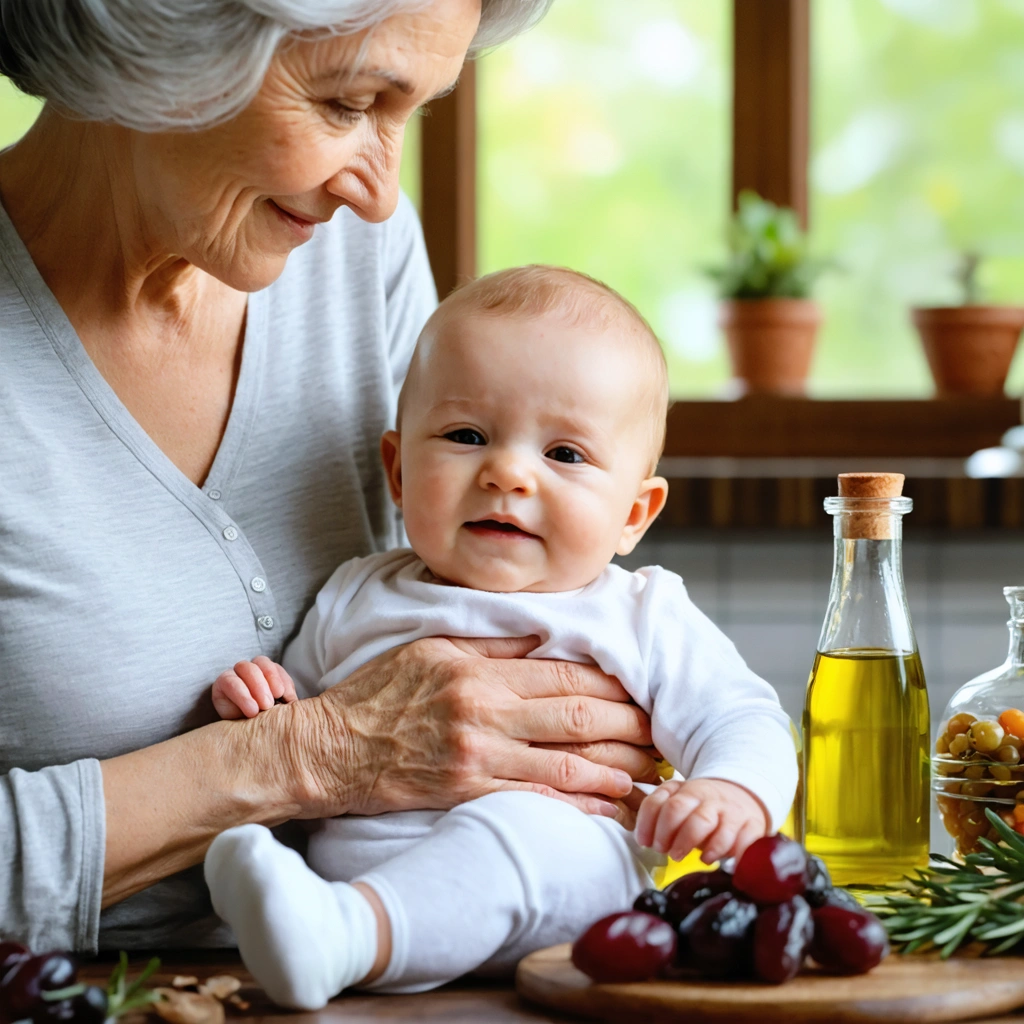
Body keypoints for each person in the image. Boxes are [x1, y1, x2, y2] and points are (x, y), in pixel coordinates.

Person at [0, 0, 664, 953]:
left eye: (412, 111)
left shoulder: (349, 250)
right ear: (159, 47)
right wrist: (301, 758)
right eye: (349, 103)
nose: (380, 193)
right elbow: (381, 723)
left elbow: (458, 639)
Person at [203, 266, 798, 1008]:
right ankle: (331, 924)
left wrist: (729, 789)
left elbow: (740, 717)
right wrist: (264, 700)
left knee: (526, 827)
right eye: (466, 435)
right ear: (396, 469)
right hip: (359, 882)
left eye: (566, 454)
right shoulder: (355, 592)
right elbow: (306, 736)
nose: (508, 471)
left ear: (634, 515)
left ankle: (346, 937)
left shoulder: (641, 614)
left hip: (563, 883)